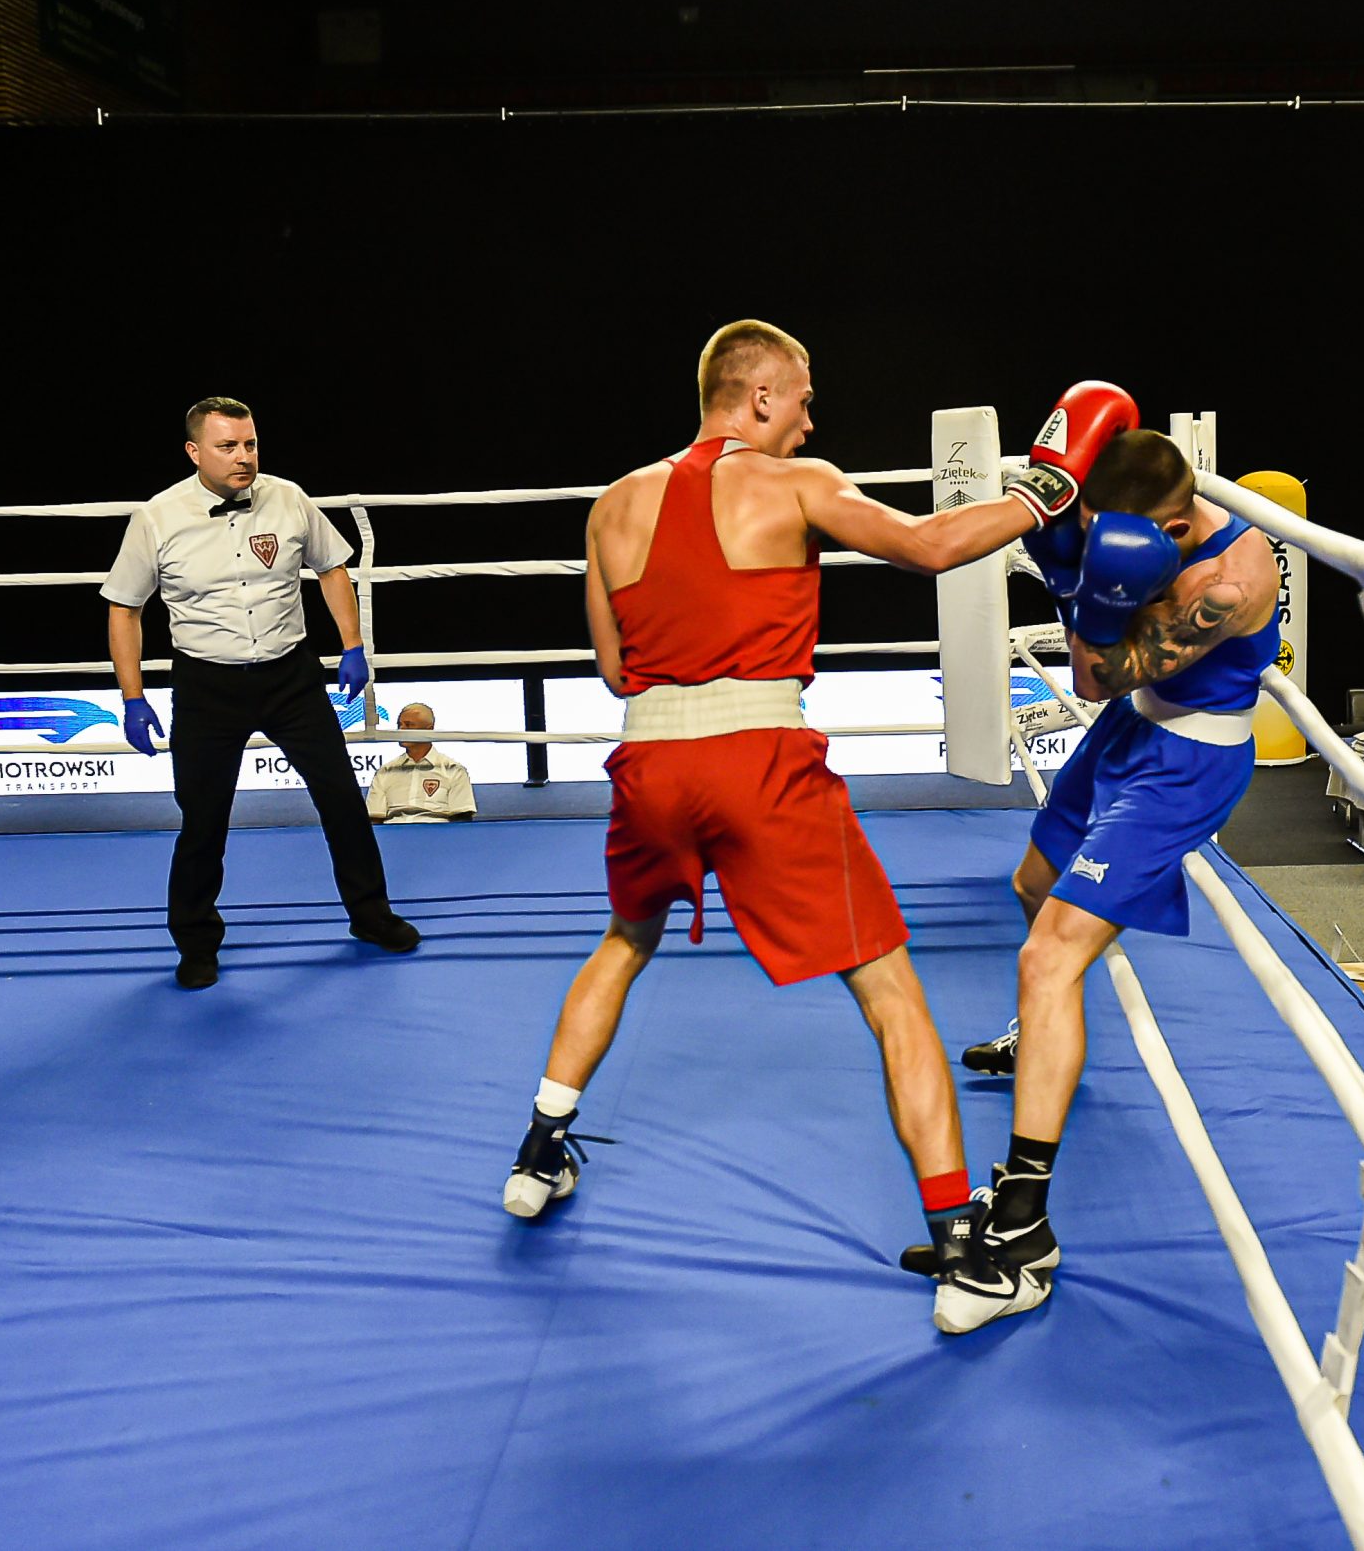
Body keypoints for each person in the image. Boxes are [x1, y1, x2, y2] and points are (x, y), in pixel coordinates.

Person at [501, 320, 1123, 1336]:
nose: (808, 420)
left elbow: (616, 672)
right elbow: (928, 547)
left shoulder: (612, 505)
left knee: (623, 942)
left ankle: (538, 1152)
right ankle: (963, 1257)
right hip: (759, 762)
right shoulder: (795, 484)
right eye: (801, 399)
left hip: (648, 765)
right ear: (757, 397)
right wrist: (1042, 492)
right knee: (893, 996)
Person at [942, 428, 1282, 1292]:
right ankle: (1044, 1036)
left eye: (1105, 540)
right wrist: (1061, 537)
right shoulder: (1137, 522)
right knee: (1031, 883)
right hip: (1134, 727)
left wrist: (1075, 585)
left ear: (1170, 532)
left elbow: (1098, 676)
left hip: (1187, 761)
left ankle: (1025, 1225)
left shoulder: (1225, 582)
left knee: (1047, 957)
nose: (1092, 547)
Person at [102, 395, 419, 991]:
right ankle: (196, 943)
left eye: (249, 443)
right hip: (206, 685)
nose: (243, 456)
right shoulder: (157, 517)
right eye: (227, 446)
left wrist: (352, 644)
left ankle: (371, 915)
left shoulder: (288, 497)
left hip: (290, 676)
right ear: (194, 451)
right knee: (203, 820)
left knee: (342, 799)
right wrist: (132, 696)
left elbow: (331, 568)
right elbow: (125, 607)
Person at [365, 702, 476, 823]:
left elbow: (462, 819)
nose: (401, 730)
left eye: (408, 725)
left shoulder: (454, 770)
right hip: (393, 830)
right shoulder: (385, 771)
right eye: (399, 725)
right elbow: (374, 818)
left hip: (437, 831)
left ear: (429, 730)